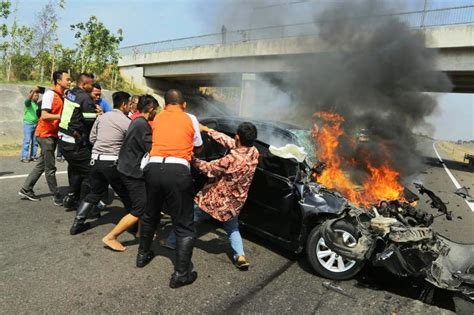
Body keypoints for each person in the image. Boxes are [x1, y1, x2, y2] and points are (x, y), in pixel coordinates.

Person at [163, 122, 259, 270]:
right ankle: (240, 255)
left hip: (215, 200)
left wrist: (191, 157)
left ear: (238, 137)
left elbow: (207, 169)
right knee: (232, 228)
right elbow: (230, 142)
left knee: (188, 218)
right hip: (235, 202)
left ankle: (171, 242)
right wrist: (208, 131)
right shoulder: (254, 152)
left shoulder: (230, 160)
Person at [137, 89, 202, 289]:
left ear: (165, 104)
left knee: (151, 214)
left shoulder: (158, 117)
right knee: (184, 224)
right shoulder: (190, 118)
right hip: (177, 171)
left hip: (153, 168)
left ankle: (142, 255)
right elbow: (197, 146)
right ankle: (181, 274)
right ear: (183, 105)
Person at [70, 91, 132, 235]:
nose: (130, 107)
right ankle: (134, 226)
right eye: (129, 104)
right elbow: (130, 145)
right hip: (112, 163)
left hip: (95, 160)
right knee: (126, 193)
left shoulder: (102, 117)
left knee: (95, 192)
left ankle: (77, 223)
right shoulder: (127, 122)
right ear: (123, 105)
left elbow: (92, 139)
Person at [102, 95, 158, 251]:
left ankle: (140, 232)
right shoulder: (142, 125)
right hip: (132, 172)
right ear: (151, 108)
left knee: (143, 203)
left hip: (127, 168)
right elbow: (151, 148)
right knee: (139, 208)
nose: (156, 113)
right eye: (156, 110)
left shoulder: (137, 121)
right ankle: (111, 236)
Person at [18, 70, 71, 203]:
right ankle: (56, 195)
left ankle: (26, 189)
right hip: (45, 134)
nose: (70, 82)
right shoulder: (50, 94)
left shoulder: (61, 96)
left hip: (52, 134)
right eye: (68, 79)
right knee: (50, 167)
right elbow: (45, 115)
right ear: (58, 81)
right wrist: (62, 116)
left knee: (42, 164)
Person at [59, 73, 103, 209]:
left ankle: (72, 198)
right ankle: (87, 207)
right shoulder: (85, 98)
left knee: (76, 170)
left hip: (63, 138)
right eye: (91, 84)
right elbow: (90, 120)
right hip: (73, 141)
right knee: (91, 172)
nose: (92, 86)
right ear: (84, 84)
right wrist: (99, 115)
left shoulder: (71, 92)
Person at [21, 87, 40, 162]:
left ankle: (33, 156)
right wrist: (33, 91)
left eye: (38, 95)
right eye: (35, 95)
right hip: (28, 124)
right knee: (27, 141)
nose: (37, 96)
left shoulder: (37, 104)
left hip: (36, 124)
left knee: (35, 141)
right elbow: (28, 99)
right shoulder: (28, 103)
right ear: (31, 95)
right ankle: (24, 157)